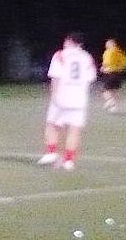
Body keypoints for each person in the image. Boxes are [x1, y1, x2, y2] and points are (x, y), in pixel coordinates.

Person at [37, 34, 98, 171]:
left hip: (62, 96)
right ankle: (69, 160)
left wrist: (53, 95)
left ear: (69, 41)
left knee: (52, 124)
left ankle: (51, 153)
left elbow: (55, 76)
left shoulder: (60, 55)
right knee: (74, 129)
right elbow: (91, 78)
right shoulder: (87, 57)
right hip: (79, 99)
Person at [100, 38, 126, 113]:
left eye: (107, 43)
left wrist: (104, 68)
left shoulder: (109, 52)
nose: (106, 45)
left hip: (110, 73)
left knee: (106, 90)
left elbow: (107, 62)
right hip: (118, 73)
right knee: (115, 90)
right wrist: (119, 68)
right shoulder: (120, 51)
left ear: (112, 44)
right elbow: (125, 62)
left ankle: (111, 102)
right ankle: (114, 106)